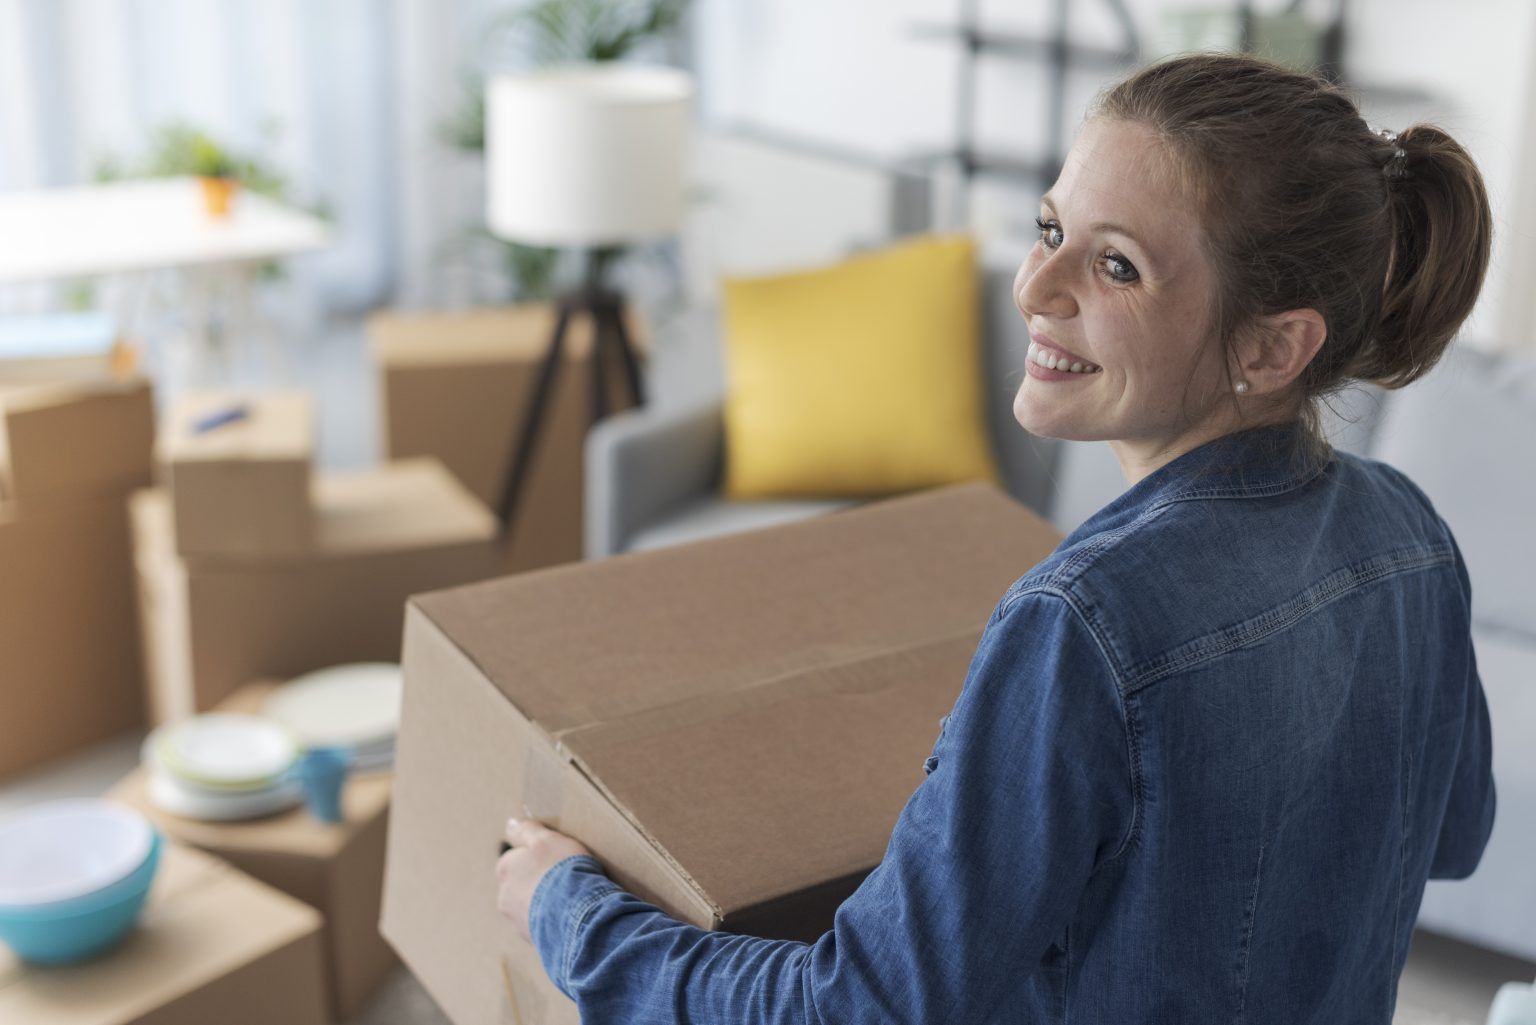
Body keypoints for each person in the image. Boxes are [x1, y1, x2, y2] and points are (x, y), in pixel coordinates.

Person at [495, 51, 1497, 1023]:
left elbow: (861, 1007)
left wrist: (571, 914)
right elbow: (1452, 834)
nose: (1035, 287)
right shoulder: (1411, 533)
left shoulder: (1085, 621)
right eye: (1048, 227)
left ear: (1273, 346)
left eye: (1116, 264)